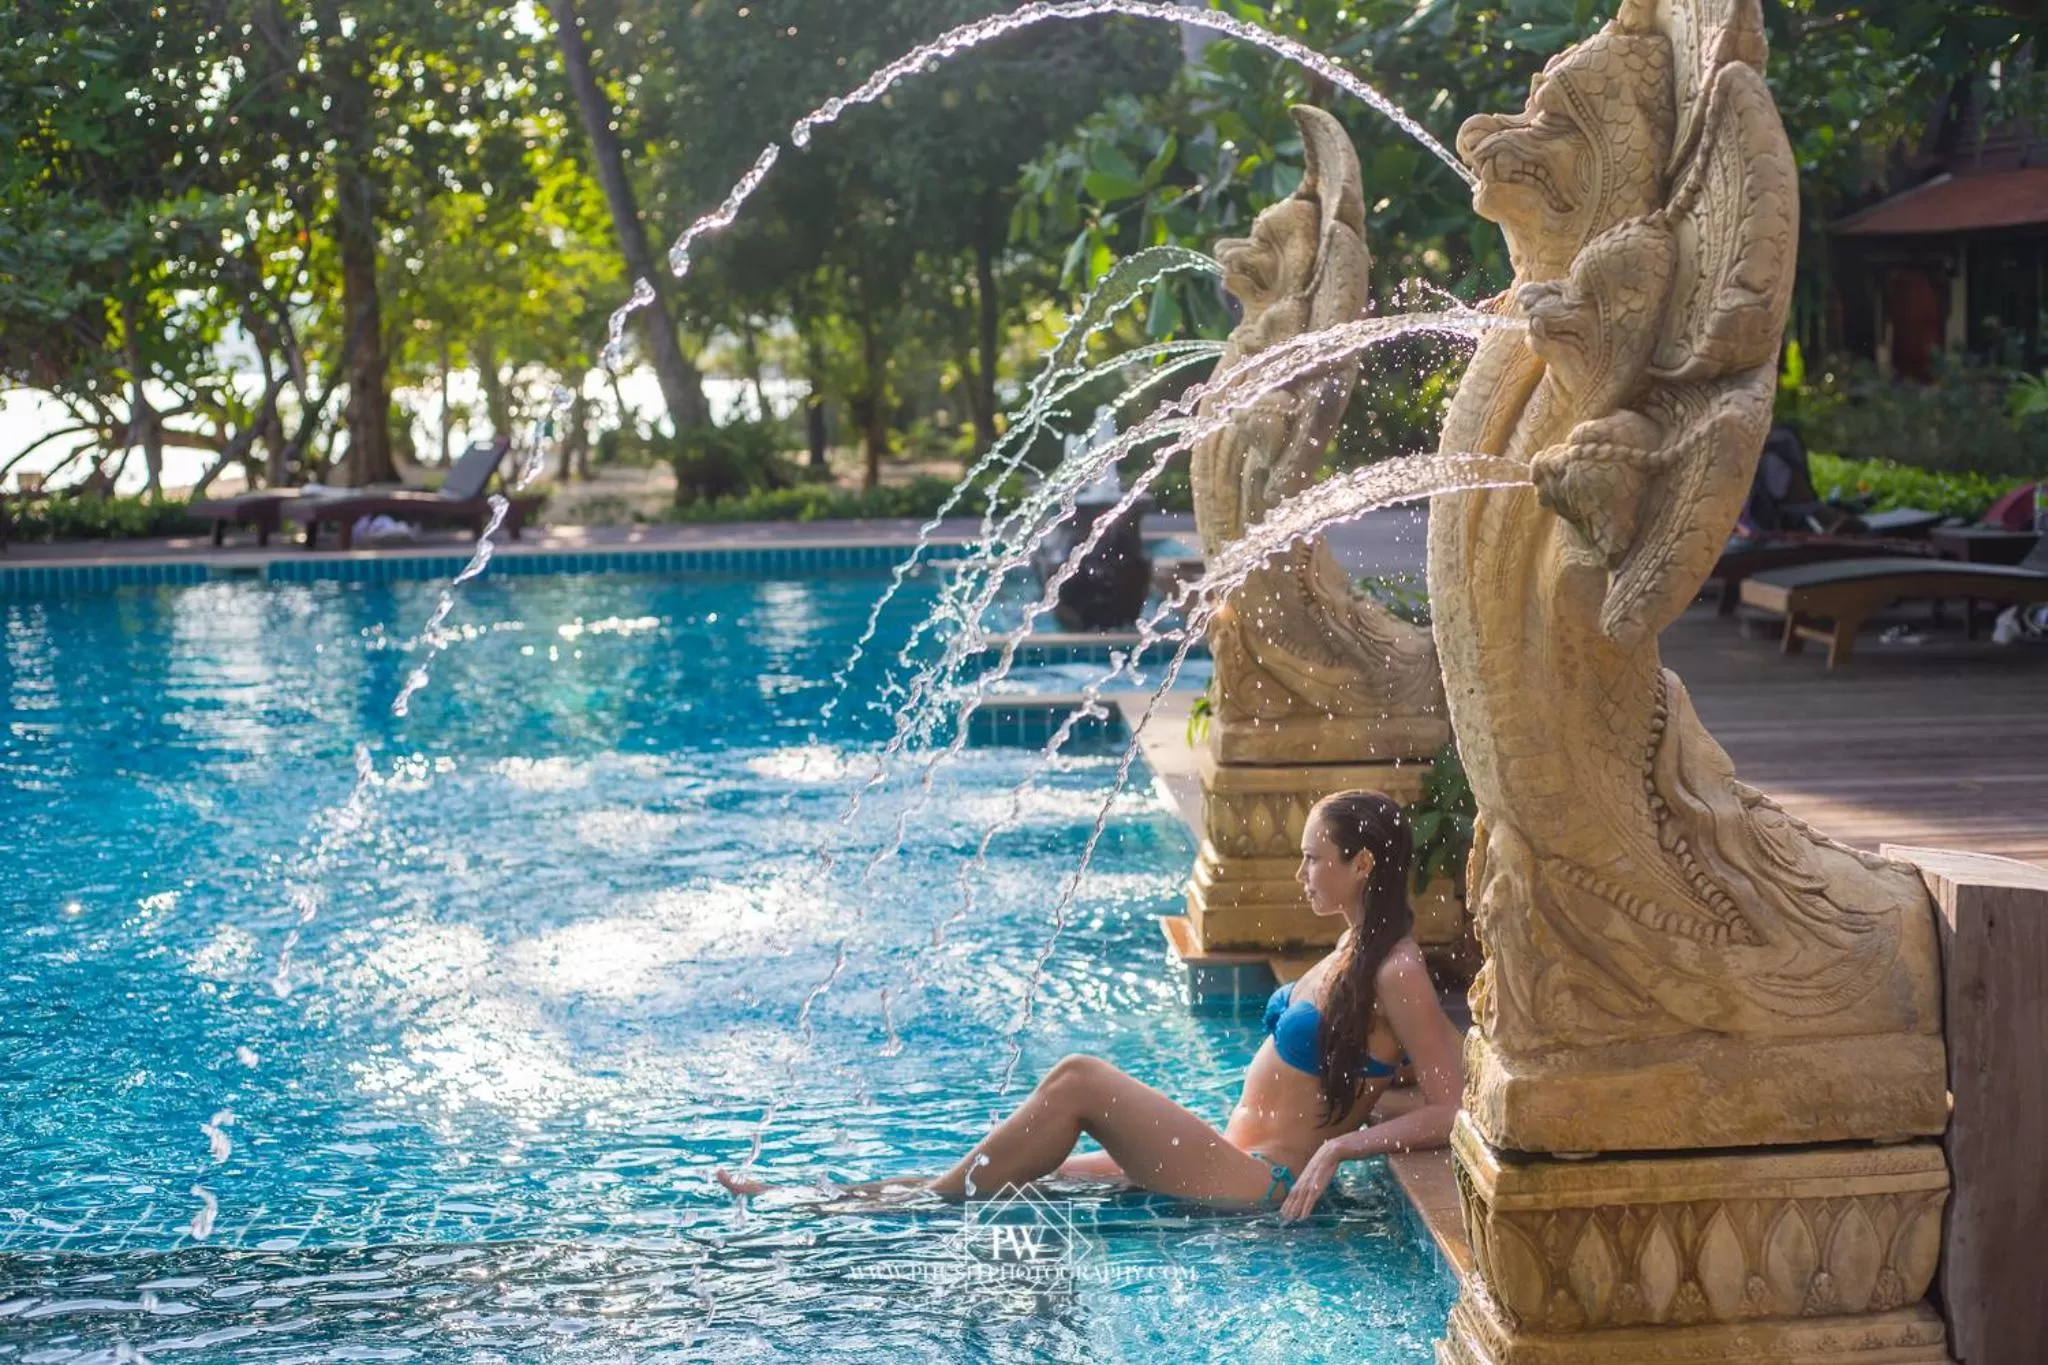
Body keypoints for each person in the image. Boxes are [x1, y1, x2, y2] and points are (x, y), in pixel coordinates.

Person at [718, 790, 1465, 1223]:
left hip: (1257, 1182)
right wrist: (1369, 1092)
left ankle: (887, 1211)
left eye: (1314, 856)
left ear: (1361, 864)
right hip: (1226, 1155)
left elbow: (1455, 1105)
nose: (1301, 870)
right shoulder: (1350, 953)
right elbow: (1373, 1072)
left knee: (1079, 1078)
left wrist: (1339, 1146)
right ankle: (823, 1197)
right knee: (1020, 1172)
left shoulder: (1396, 969)